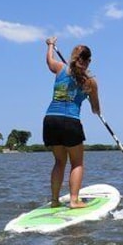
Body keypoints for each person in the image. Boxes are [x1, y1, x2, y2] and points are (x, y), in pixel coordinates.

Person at [42, 36, 100, 208]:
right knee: (77, 163)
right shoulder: (90, 82)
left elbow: (49, 61)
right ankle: (74, 200)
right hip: (71, 122)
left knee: (59, 162)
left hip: (50, 120)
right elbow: (96, 109)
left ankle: (54, 200)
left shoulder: (60, 69)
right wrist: (90, 98)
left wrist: (51, 45)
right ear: (88, 61)